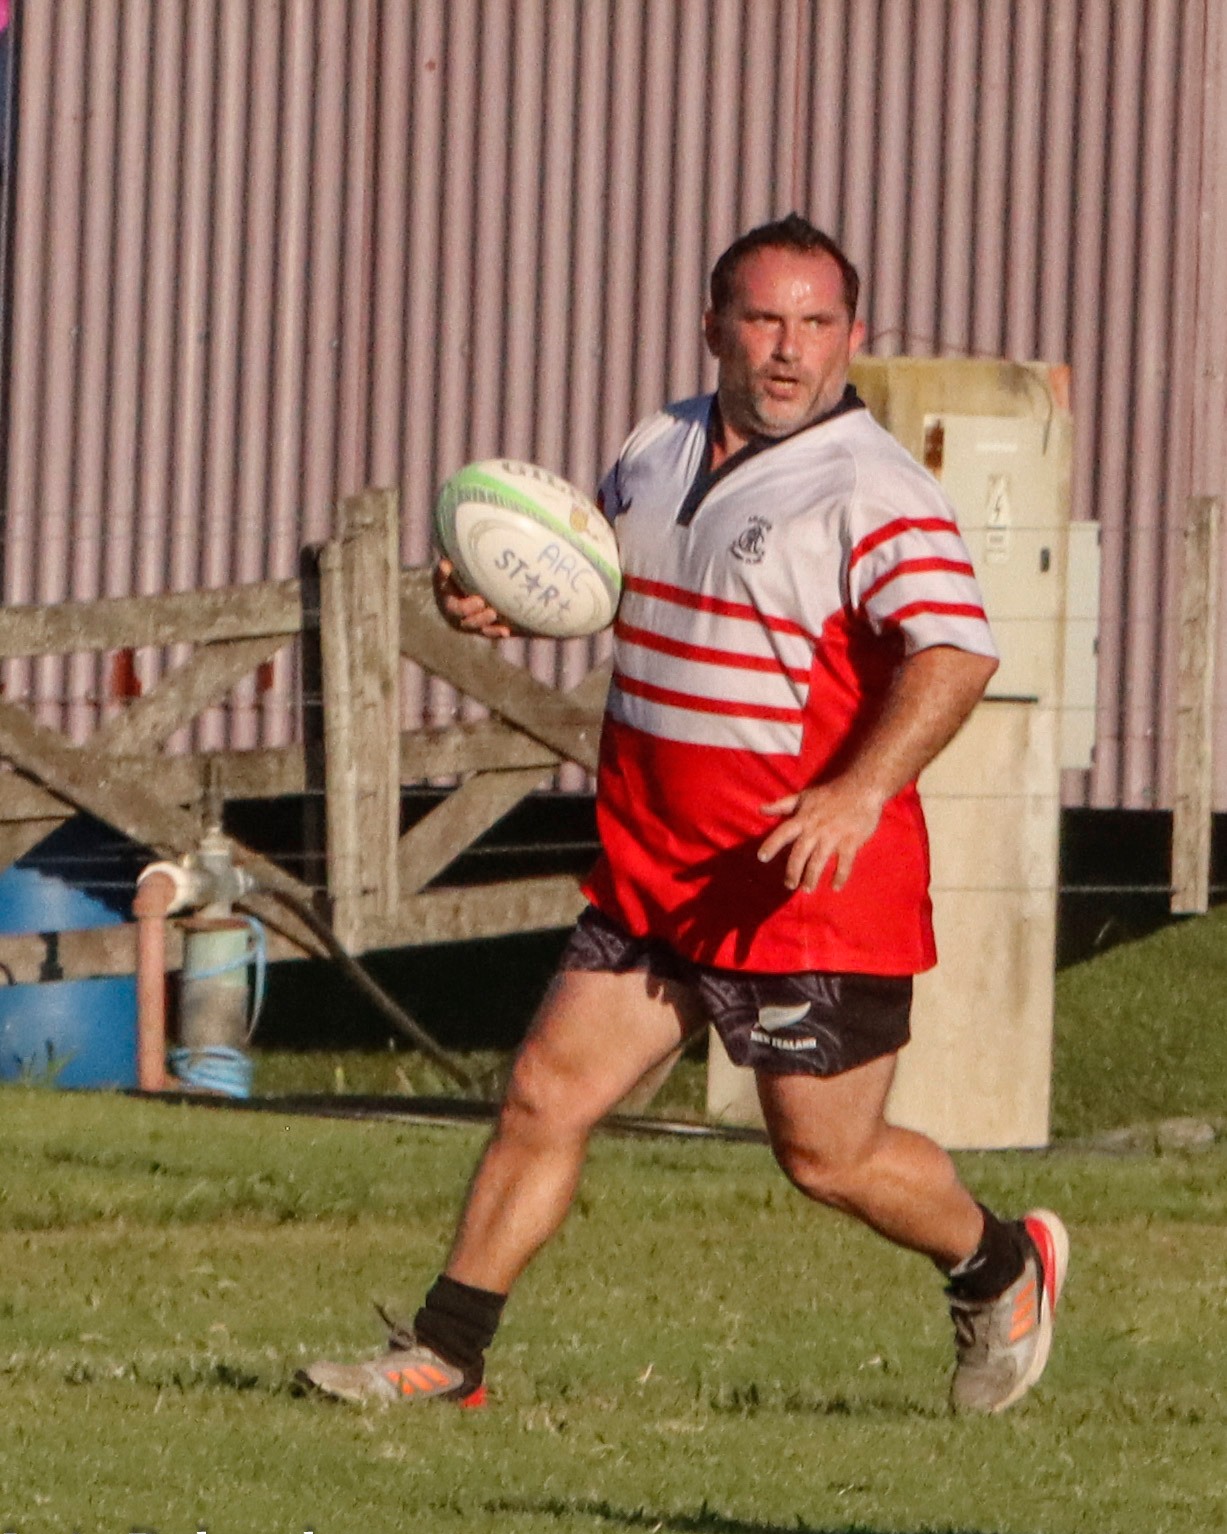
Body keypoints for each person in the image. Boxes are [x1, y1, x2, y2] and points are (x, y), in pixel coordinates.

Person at [299, 214, 1068, 1416]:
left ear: (851, 335)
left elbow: (958, 652)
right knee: (546, 1094)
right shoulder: (657, 442)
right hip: (661, 866)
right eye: (763, 319)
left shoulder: (875, 488)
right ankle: (446, 1358)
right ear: (713, 325)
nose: (787, 348)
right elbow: (609, 581)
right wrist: (501, 601)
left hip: (802, 887)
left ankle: (1001, 1263)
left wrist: (860, 789)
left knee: (827, 1156)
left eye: (817, 324)